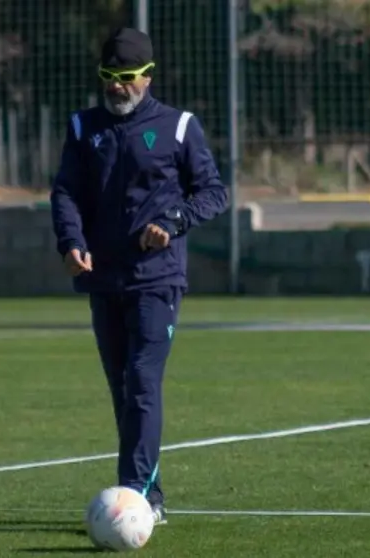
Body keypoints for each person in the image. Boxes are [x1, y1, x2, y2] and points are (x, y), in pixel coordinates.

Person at [49, 27, 229, 525]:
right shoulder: (84, 127)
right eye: (108, 78)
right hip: (103, 279)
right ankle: (150, 491)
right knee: (121, 388)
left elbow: (214, 192)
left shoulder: (178, 126)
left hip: (157, 278)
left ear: (147, 77)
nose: (116, 87)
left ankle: (134, 493)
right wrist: (71, 243)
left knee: (143, 382)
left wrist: (172, 223)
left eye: (126, 78)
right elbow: (65, 192)